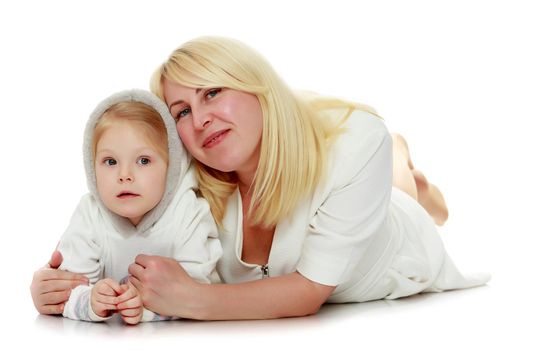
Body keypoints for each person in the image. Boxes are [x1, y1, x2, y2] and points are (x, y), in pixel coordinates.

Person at [31, 37, 489, 320]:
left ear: (254, 85)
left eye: (213, 92)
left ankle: (404, 170)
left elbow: (309, 292)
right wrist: (56, 288)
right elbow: (124, 234)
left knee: (396, 193)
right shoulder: (182, 173)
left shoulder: (357, 146)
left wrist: (196, 302)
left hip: (393, 251)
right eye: (183, 111)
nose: (202, 119)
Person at [43, 89, 221, 324]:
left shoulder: (189, 213)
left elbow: (198, 291)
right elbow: (69, 287)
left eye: (143, 161)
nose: (124, 175)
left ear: (171, 168)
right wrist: (92, 302)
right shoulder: (90, 214)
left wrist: (145, 308)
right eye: (110, 161)